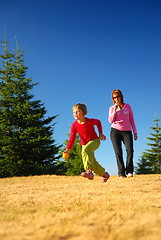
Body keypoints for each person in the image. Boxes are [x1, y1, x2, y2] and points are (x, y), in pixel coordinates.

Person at [63, 103, 110, 182]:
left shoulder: (89, 121)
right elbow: (72, 138)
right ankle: (104, 174)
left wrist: (100, 133)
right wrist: (68, 149)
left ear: (83, 112)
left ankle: (89, 172)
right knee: (92, 161)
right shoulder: (74, 125)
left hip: (94, 141)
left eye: (77, 111)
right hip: (84, 144)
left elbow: (98, 122)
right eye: (74, 112)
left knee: (86, 151)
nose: (75, 114)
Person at [108, 89, 138, 178]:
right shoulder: (111, 108)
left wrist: (135, 132)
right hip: (115, 131)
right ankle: (121, 173)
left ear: (121, 97)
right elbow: (110, 120)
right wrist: (115, 110)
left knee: (130, 150)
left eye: (118, 96)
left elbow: (132, 119)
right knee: (118, 152)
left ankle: (129, 171)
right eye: (114, 97)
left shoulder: (128, 106)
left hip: (127, 131)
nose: (116, 99)